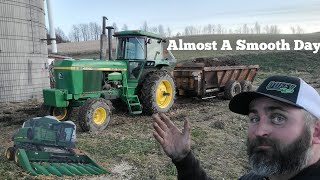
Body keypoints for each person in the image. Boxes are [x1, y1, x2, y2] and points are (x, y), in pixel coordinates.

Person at [152, 75, 320, 180]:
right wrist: (184, 159)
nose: (260, 131)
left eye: (278, 118)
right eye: (254, 118)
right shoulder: (256, 178)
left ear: (316, 132)